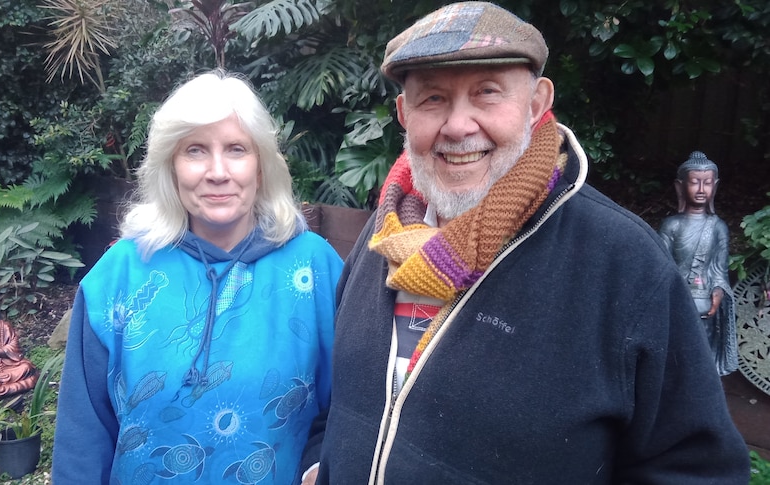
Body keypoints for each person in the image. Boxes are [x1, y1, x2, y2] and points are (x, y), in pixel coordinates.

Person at [302, 3, 750, 484]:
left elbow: (697, 470)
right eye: (432, 98)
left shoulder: (622, 263)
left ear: (537, 104)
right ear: (404, 114)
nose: (457, 126)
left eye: (487, 93)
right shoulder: (385, 234)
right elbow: (341, 402)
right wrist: (320, 467)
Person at [52, 70, 343, 484]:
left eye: (237, 149)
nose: (218, 171)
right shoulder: (118, 276)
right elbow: (82, 437)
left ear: (261, 166)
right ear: (170, 166)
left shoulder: (314, 269)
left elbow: (350, 408)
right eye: (195, 151)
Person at [658, 151, 737, 376]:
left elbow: (720, 269)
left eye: (708, 183)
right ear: (680, 186)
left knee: (704, 352)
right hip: (679, 299)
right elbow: (663, 266)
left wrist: (719, 291)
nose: (701, 189)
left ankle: (705, 382)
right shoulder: (671, 225)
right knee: (677, 350)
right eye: (694, 183)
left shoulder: (719, 226)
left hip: (705, 301)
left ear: (716, 186)